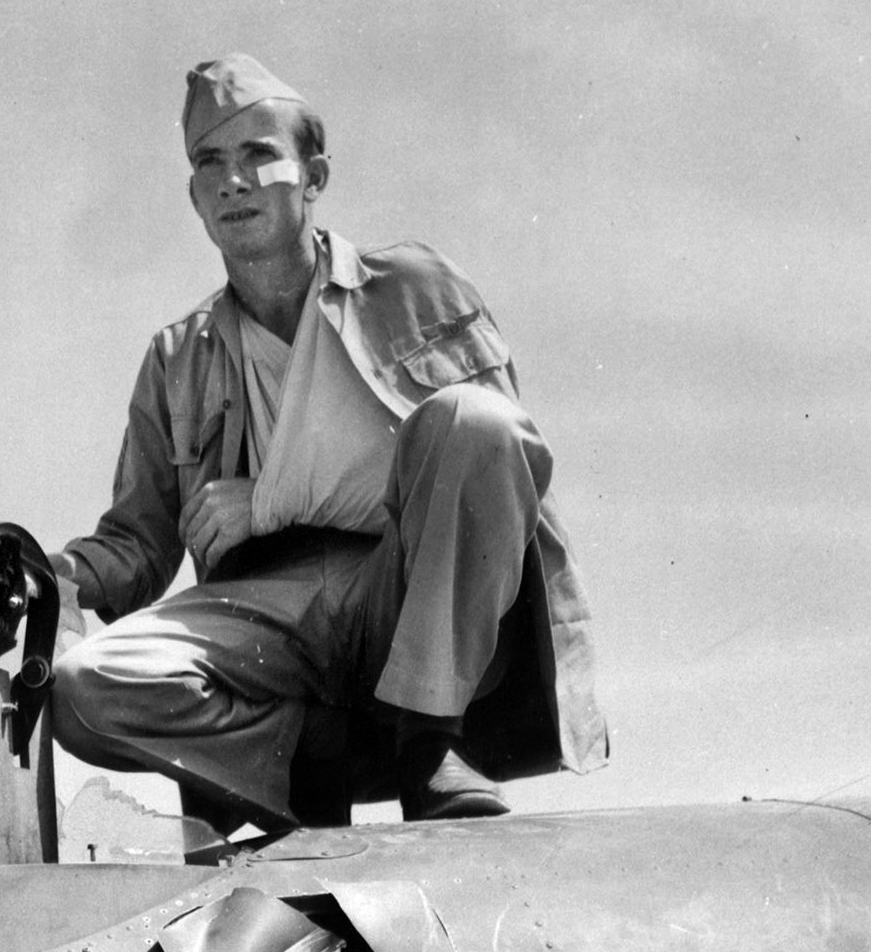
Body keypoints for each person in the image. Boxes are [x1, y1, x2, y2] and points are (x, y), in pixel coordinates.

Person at [50, 54, 606, 827]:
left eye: (258, 154)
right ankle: (309, 752)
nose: (233, 181)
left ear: (313, 175)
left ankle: (427, 743)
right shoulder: (177, 356)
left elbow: (496, 476)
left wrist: (272, 500)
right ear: (194, 196)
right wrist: (55, 575)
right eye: (210, 162)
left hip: (401, 593)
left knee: (476, 422)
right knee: (83, 683)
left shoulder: (415, 288)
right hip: (260, 619)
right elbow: (138, 546)